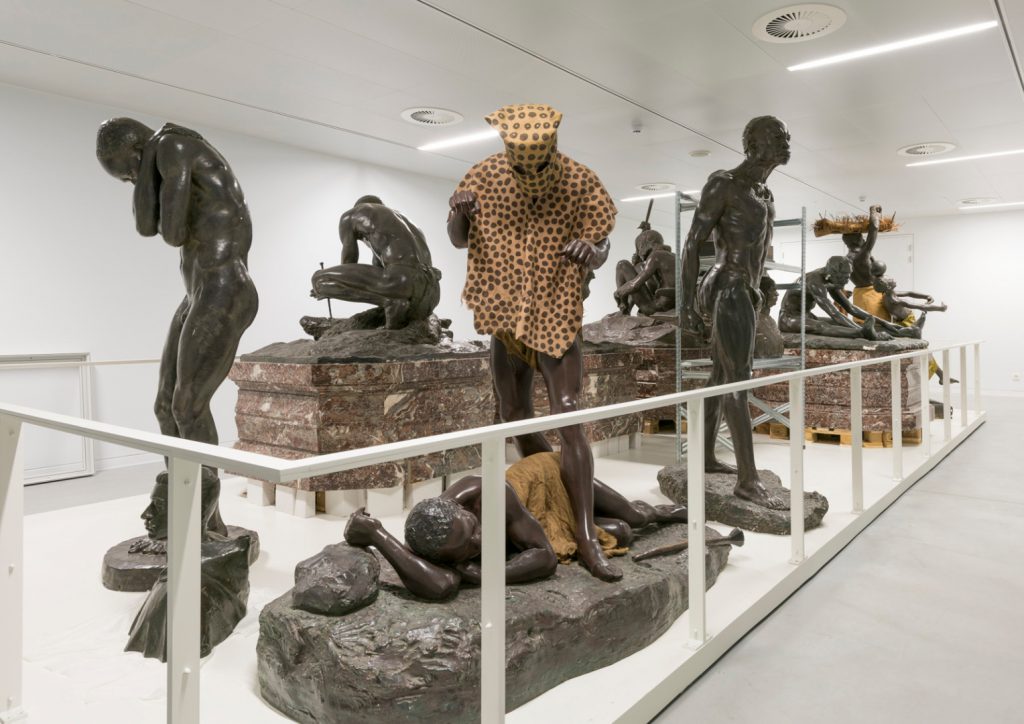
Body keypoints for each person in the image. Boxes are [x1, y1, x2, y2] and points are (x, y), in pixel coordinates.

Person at [446, 103, 621, 581]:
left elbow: (602, 239)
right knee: (513, 413)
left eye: (539, 165)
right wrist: (460, 214)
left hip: (554, 309)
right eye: (522, 165)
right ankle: (549, 504)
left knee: (569, 413)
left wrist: (593, 251)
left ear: (553, 150)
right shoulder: (482, 176)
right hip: (505, 310)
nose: (531, 174)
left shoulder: (579, 181)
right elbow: (459, 239)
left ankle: (585, 535)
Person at [97, 118, 259, 536]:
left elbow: (169, 232)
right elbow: (146, 227)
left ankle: (208, 523)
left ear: (136, 152)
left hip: (225, 289)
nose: (134, 183)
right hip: (198, 293)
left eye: (129, 174)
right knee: (165, 405)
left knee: (187, 407)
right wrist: (143, 170)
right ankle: (196, 516)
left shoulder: (173, 147)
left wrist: (145, 168)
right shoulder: (164, 152)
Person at [343, 452, 687, 600]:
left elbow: (545, 557)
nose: (479, 539)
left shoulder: (490, 493)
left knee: (634, 517)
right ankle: (632, 522)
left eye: (472, 527)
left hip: (549, 479)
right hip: (535, 518)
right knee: (620, 533)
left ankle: (665, 513)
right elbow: (442, 585)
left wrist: (484, 574)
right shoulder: (431, 535)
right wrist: (377, 534)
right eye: (469, 547)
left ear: (459, 507)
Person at [677, 115, 792, 510]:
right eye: (776, 136)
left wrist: (758, 290)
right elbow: (692, 243)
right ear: (752, 145)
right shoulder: (724, 183)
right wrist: (686, 303)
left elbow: (760, 253)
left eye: (786, 136)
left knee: (719, 375)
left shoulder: (766, 194)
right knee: (736, 382)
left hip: (746, 289)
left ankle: (706, 456)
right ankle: (747, 480)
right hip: (727, 287)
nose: (785, 142)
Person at [311, 196, 442, 329]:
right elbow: (379, 274)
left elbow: (348, 264)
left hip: (402, 280)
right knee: (391, 283)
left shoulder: (350, 215)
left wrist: (327, 289)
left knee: (319, 280)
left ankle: (390, 302)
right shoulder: (407, 223)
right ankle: (394, 309)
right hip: (432, 292)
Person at [778, 257, 925, 341]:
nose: (845, 283)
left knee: (866, 322)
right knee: (824, 327)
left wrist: (889, 325)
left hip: (806, 316)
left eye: (847, 278)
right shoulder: (814, 281)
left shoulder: (829, 278)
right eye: (842, 279)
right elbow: (835, 314)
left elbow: (850, 308)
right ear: (833, 273)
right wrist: (864, 332)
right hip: (789, 320)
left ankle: (907, 331)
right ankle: (863, 333)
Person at [613, 221, 677, 317]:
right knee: (638, 267)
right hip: (671, 305)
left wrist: (618, 293)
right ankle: (625, 309)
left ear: (643, 246)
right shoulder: (674, 256)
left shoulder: (656, 256)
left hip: (656, 308)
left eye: (639, 248)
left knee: (622, 265)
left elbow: (634, 285)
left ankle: (624, 309)